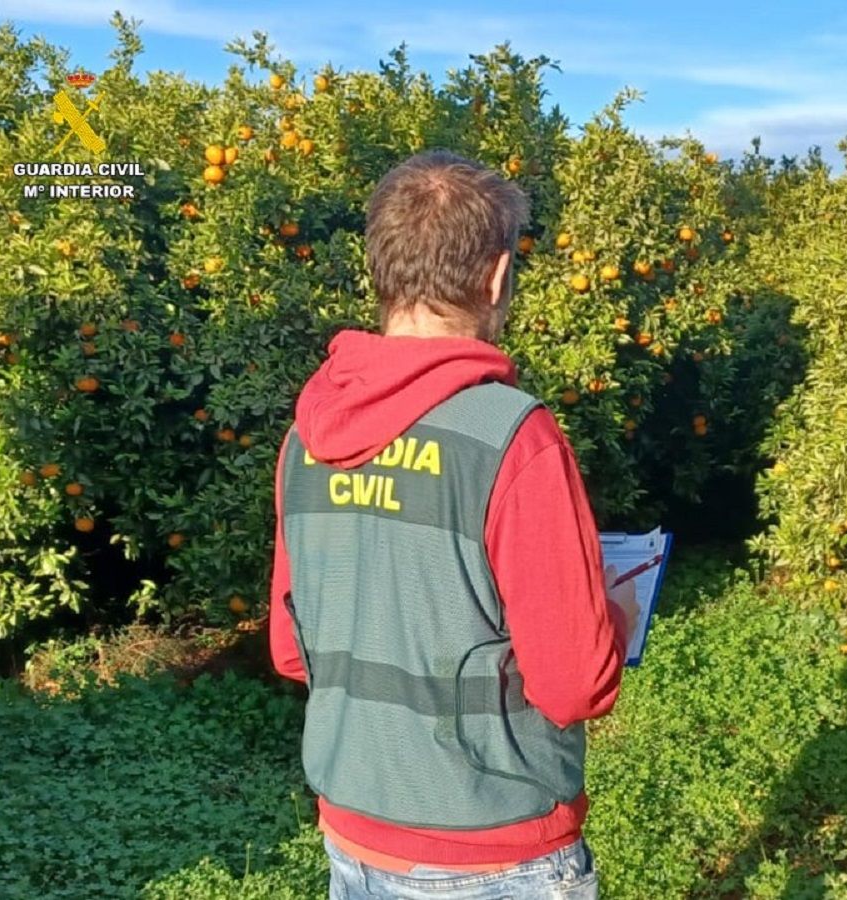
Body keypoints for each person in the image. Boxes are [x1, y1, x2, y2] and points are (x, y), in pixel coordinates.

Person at [269, 149, 640, 900]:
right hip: (494, 849)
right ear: (496, 276)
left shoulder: (306, 435)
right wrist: (614, 613)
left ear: (380, 268)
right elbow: (572, 684)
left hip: (353, 831)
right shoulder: (511, 436)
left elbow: (291, 649)